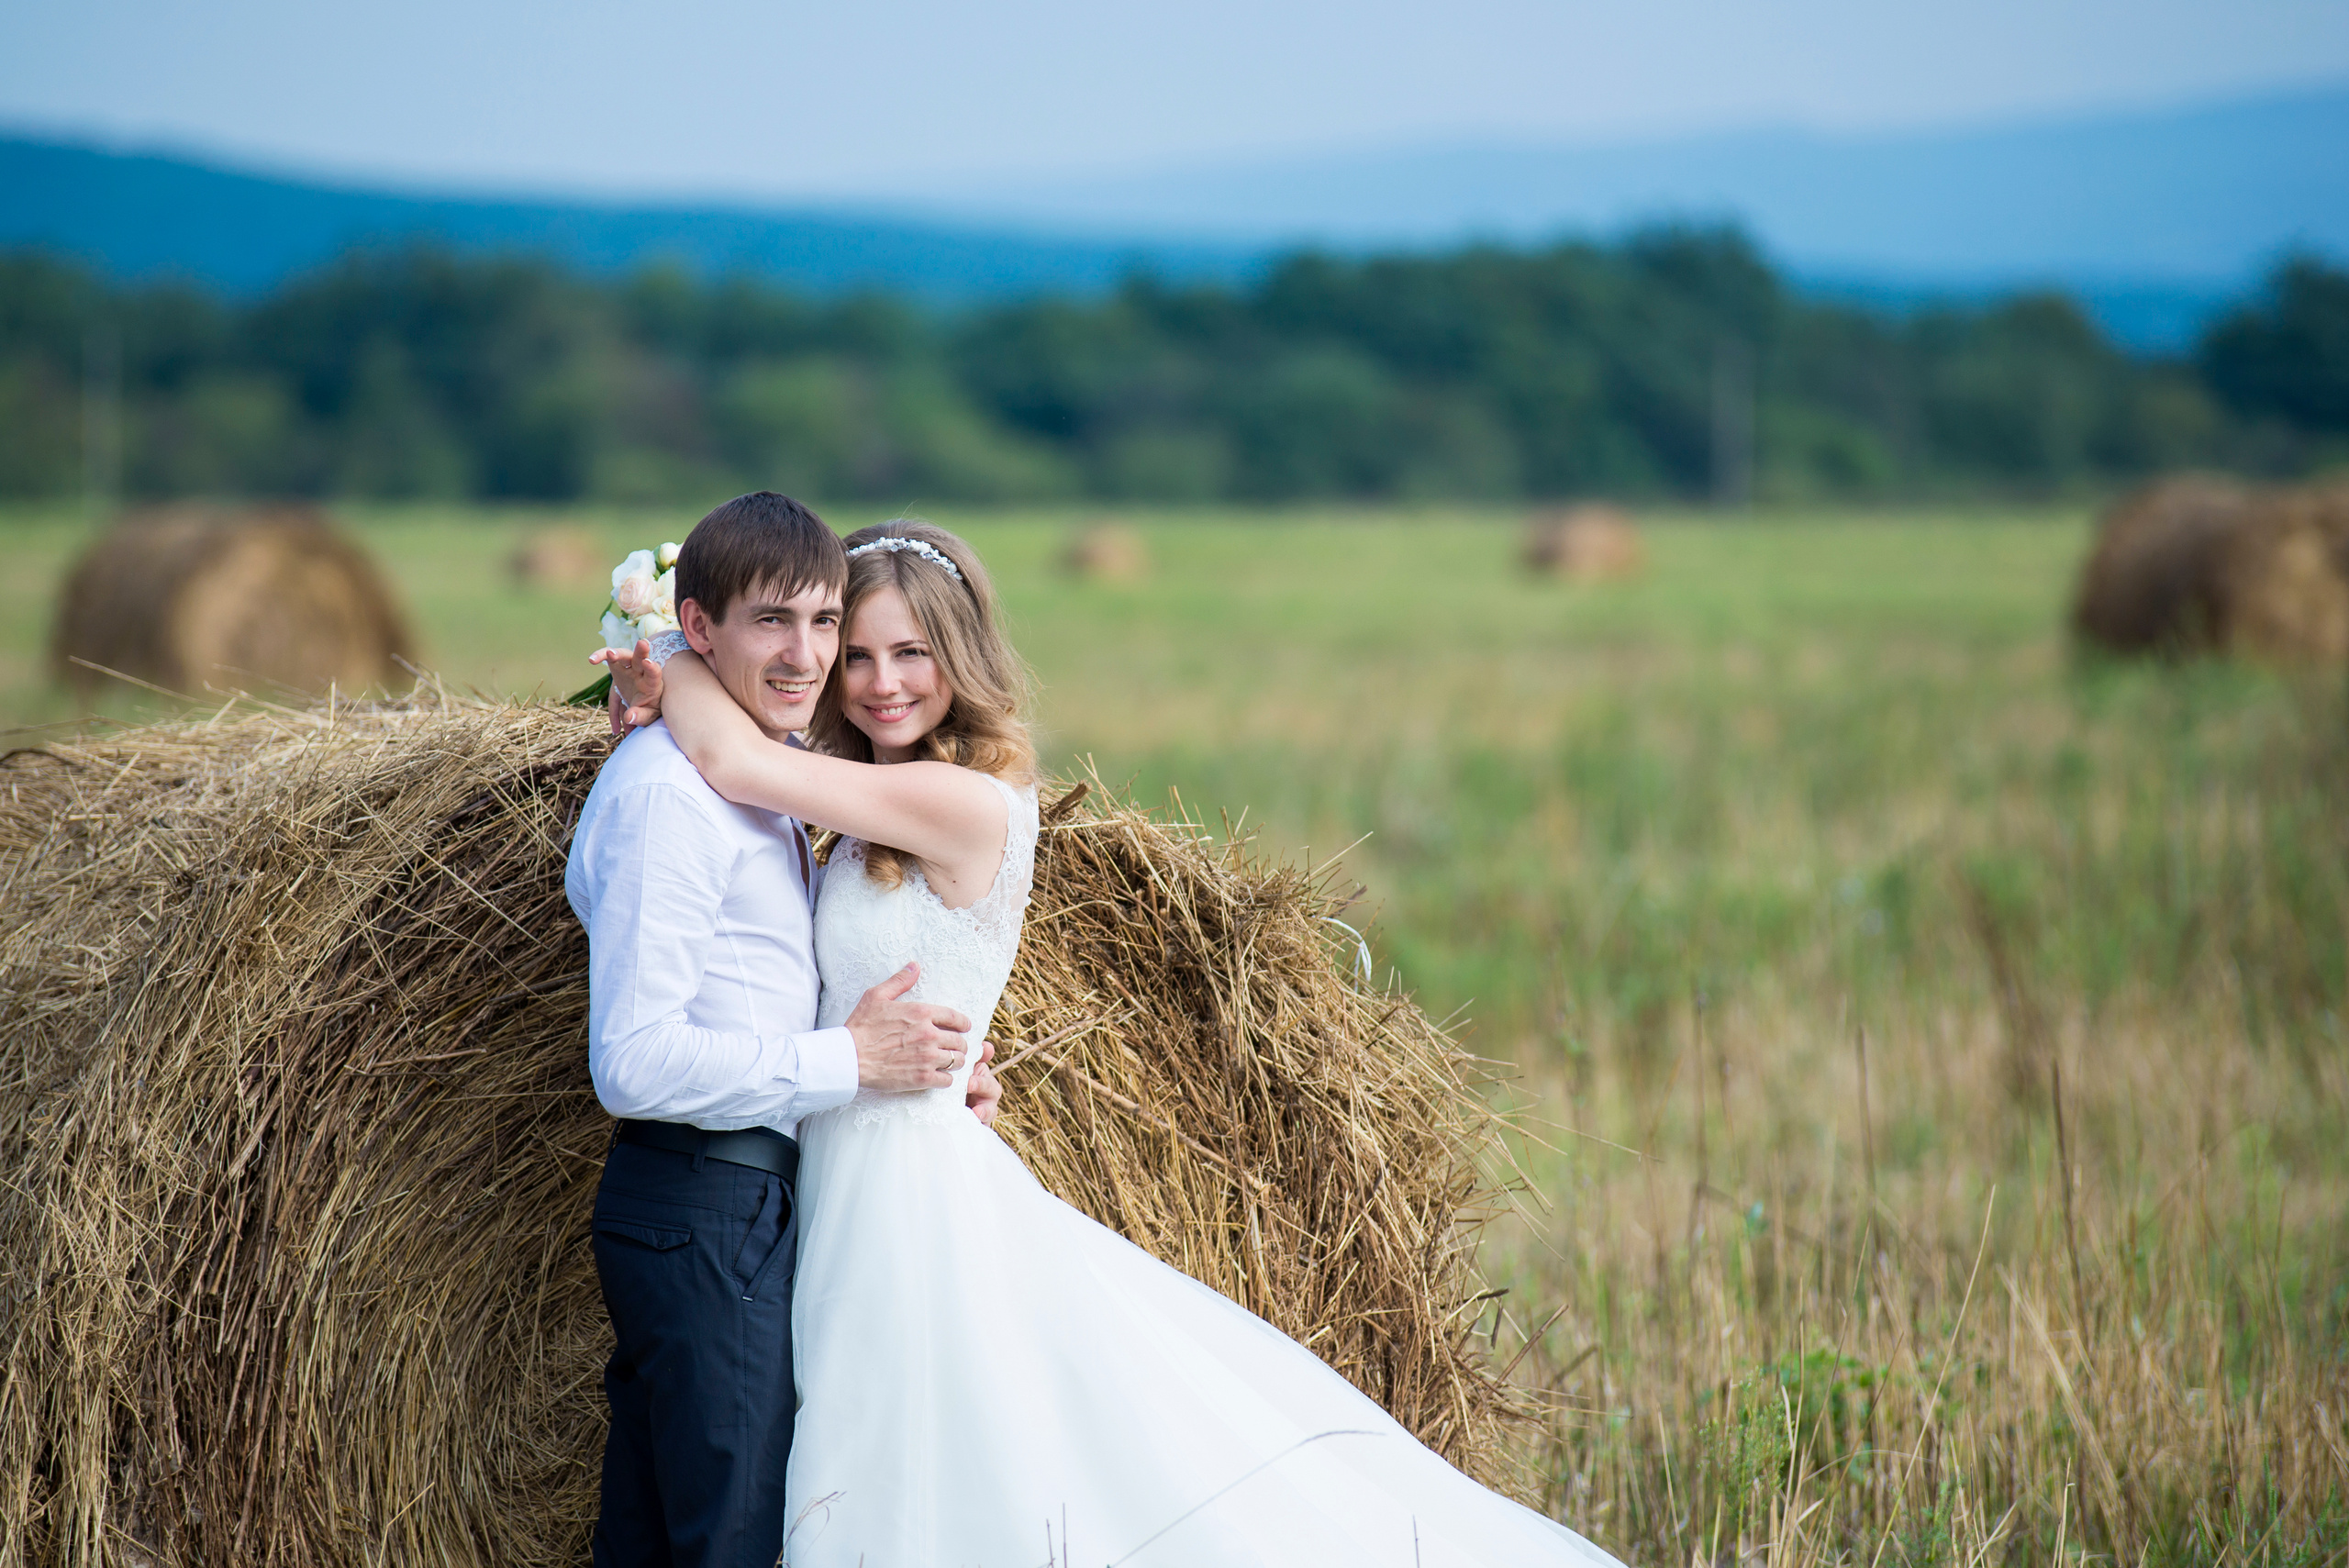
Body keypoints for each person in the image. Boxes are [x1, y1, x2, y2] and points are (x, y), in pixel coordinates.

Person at [607, 515, 1626, 1566]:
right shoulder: (865, 797)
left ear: (962, 656)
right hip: (839, 1167)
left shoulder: (962, 802)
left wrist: (671, 661)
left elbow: (730, 756)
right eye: (854, 651)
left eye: (912, 651)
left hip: (905, 1190)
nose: (878, 681)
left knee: (916, 1476)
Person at [562, 493, 997, 1568]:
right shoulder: (688, 788)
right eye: (779, 624)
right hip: (713, 1201)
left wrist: (943, 1072)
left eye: (825, 627)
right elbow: (632, 1061)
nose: (822, 661)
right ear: (701, 626)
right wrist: (856, 1058)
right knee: (735, 1541)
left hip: (778, 1200)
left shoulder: (792, 790)